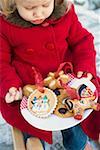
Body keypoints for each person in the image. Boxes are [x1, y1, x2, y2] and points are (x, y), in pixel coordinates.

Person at [0, 0, 100, 149]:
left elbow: (82, 41)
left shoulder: (65, 15)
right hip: (30, 86)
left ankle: (78, 143)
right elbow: (1, 61)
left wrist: (84, 67)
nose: (39, 13)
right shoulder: (6, 26)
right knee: (31, 120)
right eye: (29, 8)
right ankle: (34, 139)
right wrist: (10, 85)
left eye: (45, 5)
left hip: (67, 80)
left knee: (74, 119)